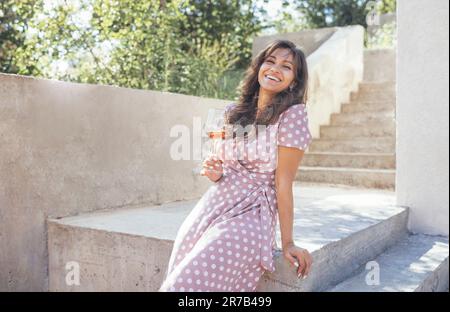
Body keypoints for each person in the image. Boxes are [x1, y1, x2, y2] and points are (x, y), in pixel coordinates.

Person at [159, 39, 313, 292]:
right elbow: (224, 163)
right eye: (270, 61)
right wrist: (217, 171)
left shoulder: (292, 115)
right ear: (260, 66)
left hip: (252, 213)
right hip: (213, 205)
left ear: (294, 80)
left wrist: (288, 242)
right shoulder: (234, 110)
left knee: (183, 286)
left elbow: (283, 183)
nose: (275, 68)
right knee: (177, 271)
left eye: (286, 66)